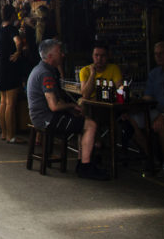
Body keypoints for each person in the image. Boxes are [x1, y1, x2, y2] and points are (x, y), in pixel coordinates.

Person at [26, 39, 109, 180]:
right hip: (46, 119)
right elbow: (54, 105)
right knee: (90, 125)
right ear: (50, 56)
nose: (63, 55)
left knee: (82, 122)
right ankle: (85, 167)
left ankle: (83, 161)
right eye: (59, 52)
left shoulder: (42, 69)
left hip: (42, 116)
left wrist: (71, 110)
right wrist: (72, 106)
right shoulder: (46, 74)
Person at [129, 41, 164, 179]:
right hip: (157, 110)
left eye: (161, 53)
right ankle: (151, 156)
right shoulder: (154, 73)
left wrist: (163, 115)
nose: (158, 57)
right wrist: (134, 106)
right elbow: (148, 97)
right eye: (156, 54)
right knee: (132, 119)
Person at [0, 5, 25, 144]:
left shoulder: (0, 29)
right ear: (12, 15)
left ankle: (3, 133)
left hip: (1, 65)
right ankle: (11, 135)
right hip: (10, 66)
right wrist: (18, 52)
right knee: (10, 103)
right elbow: (18, 42)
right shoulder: (12, 30)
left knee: (3, 101)